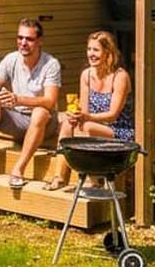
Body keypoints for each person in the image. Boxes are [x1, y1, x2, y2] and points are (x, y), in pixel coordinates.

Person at [0, 18, 61, 188]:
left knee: (40, 112)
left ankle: (18, 169)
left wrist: (18, 99)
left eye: (29, 39)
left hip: (43, 123)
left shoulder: (51, 64)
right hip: (17, 120)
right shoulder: (11, 59)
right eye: (20, 38)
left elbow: (50, 101)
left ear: (39, 41)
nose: (23, 43)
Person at [45, 30, 133, 191]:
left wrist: (86, 117)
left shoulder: (120, 77)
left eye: (96, 50)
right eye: (89, 49)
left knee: (86, 128)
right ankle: (59, 177)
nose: (91, 54)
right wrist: (76, 115)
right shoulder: (86, 75)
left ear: (108, 52)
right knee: (67, 124)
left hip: (119, 129)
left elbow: (113, 115)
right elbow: (84, 110)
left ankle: (93, 179)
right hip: (93, 123)